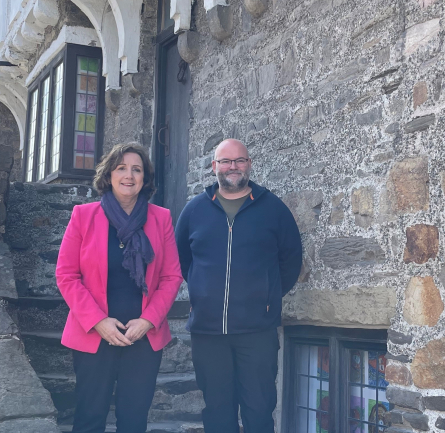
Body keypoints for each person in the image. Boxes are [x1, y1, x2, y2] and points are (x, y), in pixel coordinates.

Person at [175, 139, 303, 433]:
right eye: (225, 161)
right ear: (214, 167)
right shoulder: (194, 210)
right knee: (218, 412)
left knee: (259, 410)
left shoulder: (273, 209)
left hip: (257, 331)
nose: (233, 166)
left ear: (249, 164)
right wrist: (202, 291)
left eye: (240, 160)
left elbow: (291, 260)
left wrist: (266, 295)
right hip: (207, 332)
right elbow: (183, 259)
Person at [56, 142, 183, 433]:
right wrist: (98, 321)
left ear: (145, 178)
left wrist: (148, 320)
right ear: (109, 175)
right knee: (89, 418)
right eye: (121, 168)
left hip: (143, 336)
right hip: (94, 334)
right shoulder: (83, 216)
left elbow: (171, 277)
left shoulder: (160, 218)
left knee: (134, 421)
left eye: (137, 169)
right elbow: (66, 275)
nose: (129, 175)